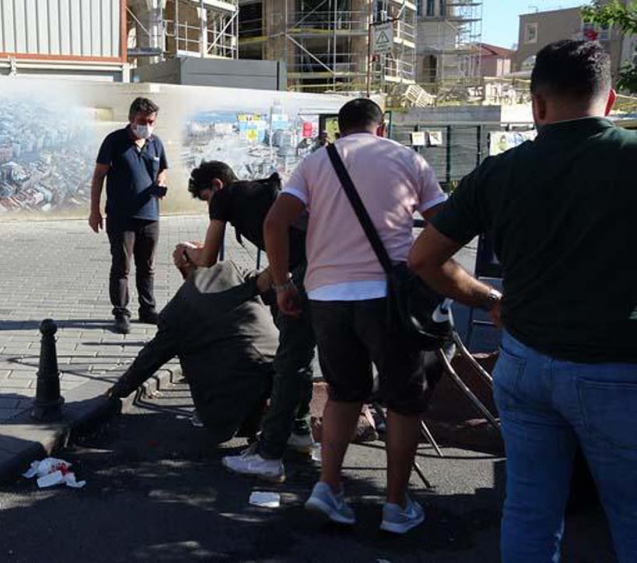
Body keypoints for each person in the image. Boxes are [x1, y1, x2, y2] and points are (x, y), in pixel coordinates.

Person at [409, 40, 637, 562]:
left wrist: (490, 298)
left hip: (524, 365)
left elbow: (424, 258)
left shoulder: (499, 171)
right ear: (611, 101)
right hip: (617, 369)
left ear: (537, 104)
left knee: (531, 510)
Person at [264, 98, 447, 534]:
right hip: (388, 297)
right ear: (380, 128)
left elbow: (275, 222)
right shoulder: (407, 158)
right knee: (404, 402)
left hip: (326, 296)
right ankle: (396, 506)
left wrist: (283, 283)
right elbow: (445, 223)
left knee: (344, 393)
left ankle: (328, 488)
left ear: (339, 131)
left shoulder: (315, 162)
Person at [176, 161, 316, 482]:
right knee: (300, 351)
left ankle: (272, 449)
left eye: (206, 197)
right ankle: (299, 427)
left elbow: (208, 257)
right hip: (315, 263)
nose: (209, 205)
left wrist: (187, 252)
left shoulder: (226, 197)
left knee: (290, 356)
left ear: (216, 185)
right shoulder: (257, 193)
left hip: (305, 269)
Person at [106, 261, 277, 442]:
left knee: (224, 417)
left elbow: (150, 358)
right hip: (276, 363)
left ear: (183, 269)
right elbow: (272, 284)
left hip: (231, 387)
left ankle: (248, 420)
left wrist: (118, 390)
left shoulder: (178, 309)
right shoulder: (232, 270)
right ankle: (271, 420)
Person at [89, 97, 169, 335]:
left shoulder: (156, 143)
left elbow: (163, 169)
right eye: (142, 120)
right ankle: (121, 313)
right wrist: (95, 211)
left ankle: (148, 309)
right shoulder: (114, 141)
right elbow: (98, 176)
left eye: (151, 121)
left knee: (148, 266)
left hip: (150, 215)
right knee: (122, 265)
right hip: (121, 216)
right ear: (131, 119)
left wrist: (161, 181)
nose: (147, 125)